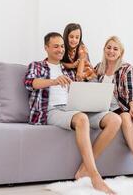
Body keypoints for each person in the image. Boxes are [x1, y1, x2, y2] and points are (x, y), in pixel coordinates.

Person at [24, 32, 121, 195]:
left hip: (74, 108)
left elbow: (83, 85)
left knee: (115, 120)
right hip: (52, 110)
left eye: (62, 46)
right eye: (55, 46)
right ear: (46, 48)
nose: (60, 49)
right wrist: (53, 81)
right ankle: (95, 177)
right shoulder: (37, 66)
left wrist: (85, 70)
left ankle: (83, 169)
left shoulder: (67, 69)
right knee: (82, 119)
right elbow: (31, 83)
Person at [95, 36, 133, 183]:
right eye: (108, 47)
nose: (111, 51)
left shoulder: (126, 68)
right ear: (104, 49)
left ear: (121, 52)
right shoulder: (98, 69)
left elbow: (132, 90)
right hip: (119, 111)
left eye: (115, 49)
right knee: (125, 117)